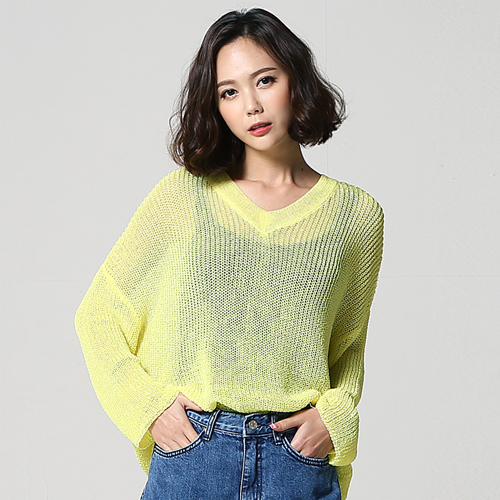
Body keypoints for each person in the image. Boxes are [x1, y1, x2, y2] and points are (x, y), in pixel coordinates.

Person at [74, 7, 384, 500]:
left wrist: (335, 418)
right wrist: (148, 408)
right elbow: (99, 315)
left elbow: (347, 349)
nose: (252, 105)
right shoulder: (183, 198)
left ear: (296, 80)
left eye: (265, 80)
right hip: (196, 454)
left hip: (296, 461)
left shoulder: (355, 216)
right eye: (229, 92)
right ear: (215, 105)